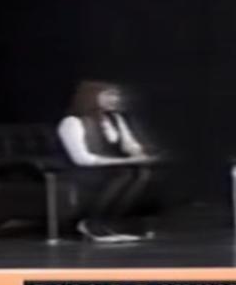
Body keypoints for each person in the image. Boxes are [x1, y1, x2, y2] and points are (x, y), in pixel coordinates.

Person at [57, 80, 160, 243]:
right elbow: (82, 159)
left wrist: (139, 153)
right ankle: (91, 223)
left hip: (109, 168)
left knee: (141, 172)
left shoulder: (115, 119)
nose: (115, 99)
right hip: (84, 171)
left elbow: (129, 144)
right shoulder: (72, 122)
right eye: (109, 95)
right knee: (124, 173)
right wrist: (122, 162)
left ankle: (112, 221)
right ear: (91, 97)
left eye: (116, 95)